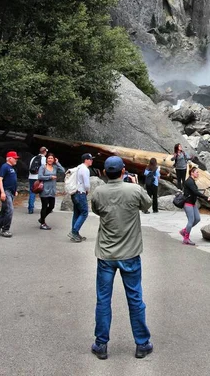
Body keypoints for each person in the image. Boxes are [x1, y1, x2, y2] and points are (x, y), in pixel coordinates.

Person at [91, 155, 153, 361]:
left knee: (103, 299)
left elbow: (97, 210)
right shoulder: (134, 190)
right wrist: (134, 184)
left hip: (106, 254)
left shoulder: (99, 192)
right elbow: (147, 205)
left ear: (105, 172)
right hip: (130, 253)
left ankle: (101, 344)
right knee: (135, 298)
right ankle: (142, 343)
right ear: (123, 170)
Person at [180, 166, 210, 246]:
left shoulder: (192, 181)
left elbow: (195, 192)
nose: (198, 173)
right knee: (191, 220)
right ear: (192, 173)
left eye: (198, 172)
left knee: (197, 219)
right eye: (196, 172)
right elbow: (195, 192)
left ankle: (184, 231)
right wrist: (207, 198)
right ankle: (186, 239)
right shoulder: (189, 181)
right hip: (188, 203)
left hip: (192, 203)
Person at [68, 153, 93, 243]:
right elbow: (86, 184)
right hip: (81, 193)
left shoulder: (78, 167)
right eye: (90, 159)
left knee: (77, 213)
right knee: (84, 213)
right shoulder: (85, 169)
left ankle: (75, 233)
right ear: (86, 160)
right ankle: (74, 232)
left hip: (75, 193)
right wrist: (88, 190)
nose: (91, 161)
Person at [37, 152, 65, 231]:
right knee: (44, 207)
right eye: (49, 158)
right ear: (46, 159)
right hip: (44, 190)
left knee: (51, 206)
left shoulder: (55, 167)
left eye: (51, 158)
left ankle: (42, 219)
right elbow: (40, 176)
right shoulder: (43, 167)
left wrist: (57, 162)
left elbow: (63, 171)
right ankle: (42, 223)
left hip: (52, 190)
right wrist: (50, 177)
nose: (50, 160)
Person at [0, 151, 19, 238]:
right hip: (6, 191)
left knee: (4, 211)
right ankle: (5, 229)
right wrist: (2, 192)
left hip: (11, 192)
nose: (16, 160)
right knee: (10, 210)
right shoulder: (5, 167)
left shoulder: (12, 168)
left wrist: (15, 190)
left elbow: (12, 180)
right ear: (9, 158)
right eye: (15, 158)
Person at [28, 146, 48, 214]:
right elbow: (44, 168)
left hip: (31, 177)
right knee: (43, 192)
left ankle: (30, 208)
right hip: (38, 177)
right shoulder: (43, 158)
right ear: (45, 152)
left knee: (32, 192)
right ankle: (46, 208)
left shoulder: (33, 158)